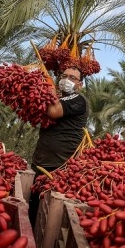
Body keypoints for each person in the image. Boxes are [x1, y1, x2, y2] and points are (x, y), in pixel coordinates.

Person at [28, 66, 88, 225]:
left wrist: (47, 86)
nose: (66, 80)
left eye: (72, 78)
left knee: (47, 214)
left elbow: (53, 111)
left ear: (79, 85)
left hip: (60, 167)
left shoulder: (79, 100)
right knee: (32, 210)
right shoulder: (58, 98)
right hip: (40, 163)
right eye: (64, 76)